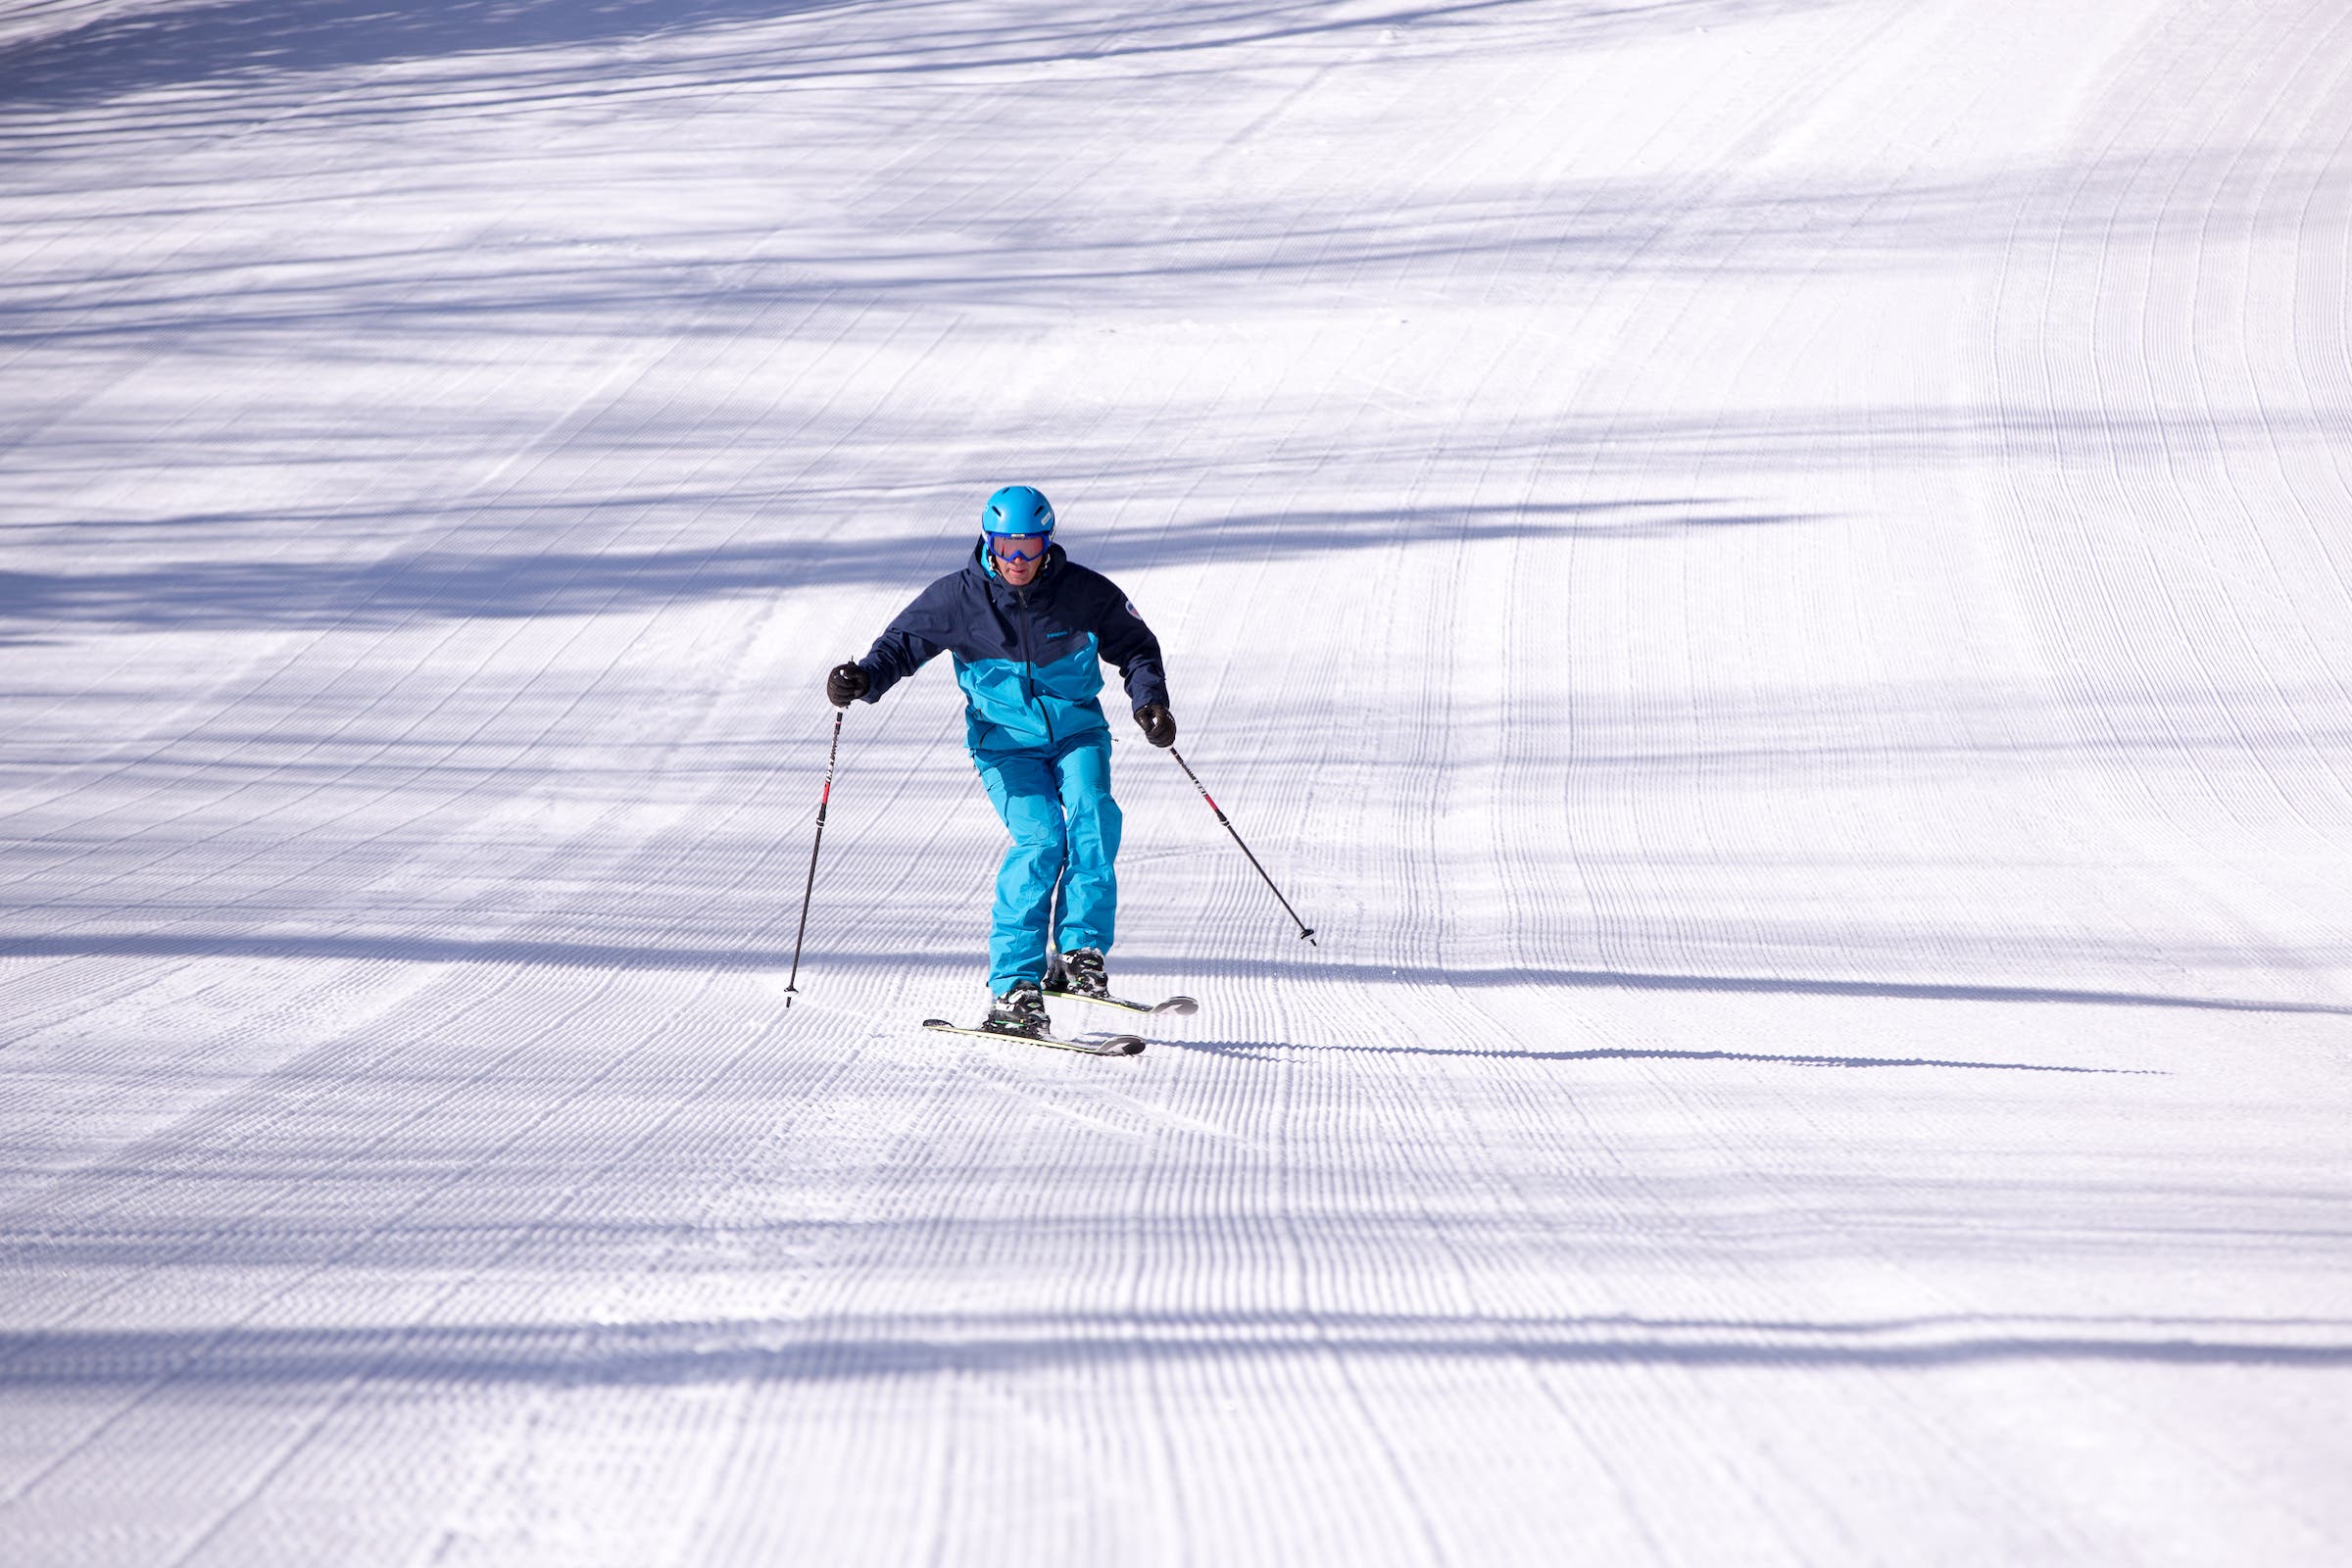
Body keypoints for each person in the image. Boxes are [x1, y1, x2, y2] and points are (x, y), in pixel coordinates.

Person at [827, 485, 1176, 1037]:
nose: (1018, 559)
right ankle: (1014, 986)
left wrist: (1149, 701)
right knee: (1041, 840)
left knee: (1093, 815)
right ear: (988, 542)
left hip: (1078, 733)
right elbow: (898, 648)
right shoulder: (957, 599)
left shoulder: (1084, 593)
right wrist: (862, 679)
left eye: (1030, 546)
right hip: (1005, 745)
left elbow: (1136, 646)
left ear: (1047, 542)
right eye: (1006, 546)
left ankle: (1079, 953)